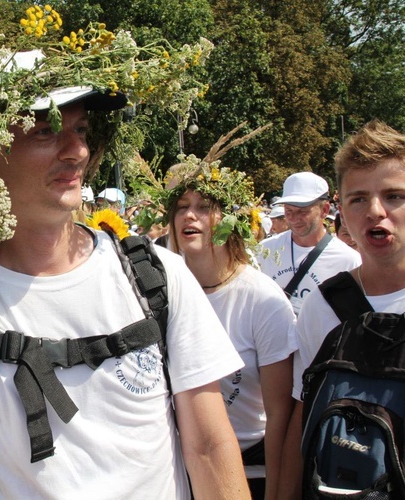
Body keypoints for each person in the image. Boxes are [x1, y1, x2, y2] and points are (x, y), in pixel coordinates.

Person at [0, 51, 250, 498]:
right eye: (46, 130)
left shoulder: (156, 277)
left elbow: (211, 448)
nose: (78, 150)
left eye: (80, 129)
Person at [278, 120, 405, 498]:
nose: (376, 211)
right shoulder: (323, 306)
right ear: (341, 212)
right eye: (359, 198)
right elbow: (302, 417)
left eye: (394, 196)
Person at [162, 157, 295, 499]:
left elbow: (281, 414)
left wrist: (278, 493)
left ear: (229, 219)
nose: (189, 216)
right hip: (180, 467)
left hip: (252, 471)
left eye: (203, 206)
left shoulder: (263, 301)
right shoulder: (160, 292)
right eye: (181, 207)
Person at [256, 172, 360, 315]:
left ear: (324, 210)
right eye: (289, 211)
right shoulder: (264, 249)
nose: (294, 218)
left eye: (303, 211)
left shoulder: (349, 260)